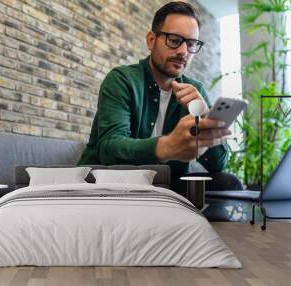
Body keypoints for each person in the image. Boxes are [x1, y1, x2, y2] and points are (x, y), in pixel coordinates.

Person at [77, 1, 242, 194]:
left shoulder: (195, 90)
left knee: (228, 183)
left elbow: (218, 164)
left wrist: (205, 117)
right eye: (174, 40)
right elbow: (109, 149)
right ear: (151, 40)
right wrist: (166, 147)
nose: (183, 52)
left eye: (191, 44)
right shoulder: (122, 79)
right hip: (113, 179)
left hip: (167, 182)